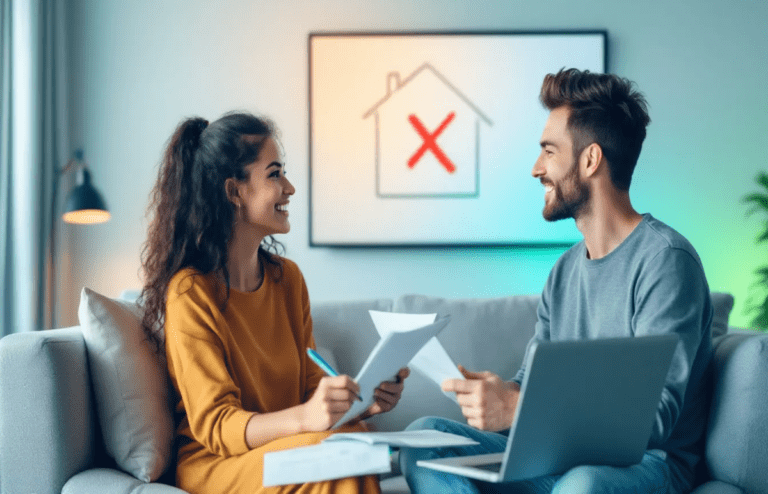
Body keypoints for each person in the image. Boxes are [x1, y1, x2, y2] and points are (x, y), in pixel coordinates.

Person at [399, 69, 713, 494]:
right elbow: (532, 382)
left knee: (581, 485)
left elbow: (653, 420)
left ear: (590, 160)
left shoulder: (666, 261)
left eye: (549, 151)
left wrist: (518, 408)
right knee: (424, 438)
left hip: (644, 466)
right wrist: (501, 393)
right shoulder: (563, 271)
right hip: (557, 458)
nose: (536, 169)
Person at [139, 112, 409, 493]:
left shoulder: (288, 280)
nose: (290, 188)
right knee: (340, 459)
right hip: (219, 465)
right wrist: (305, 419)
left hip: (286, 449)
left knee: (353, 445)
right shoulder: (190, 293)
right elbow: (219, 425)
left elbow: (311, 391)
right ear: (234, 192)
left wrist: (364, 402)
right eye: (275, 174)